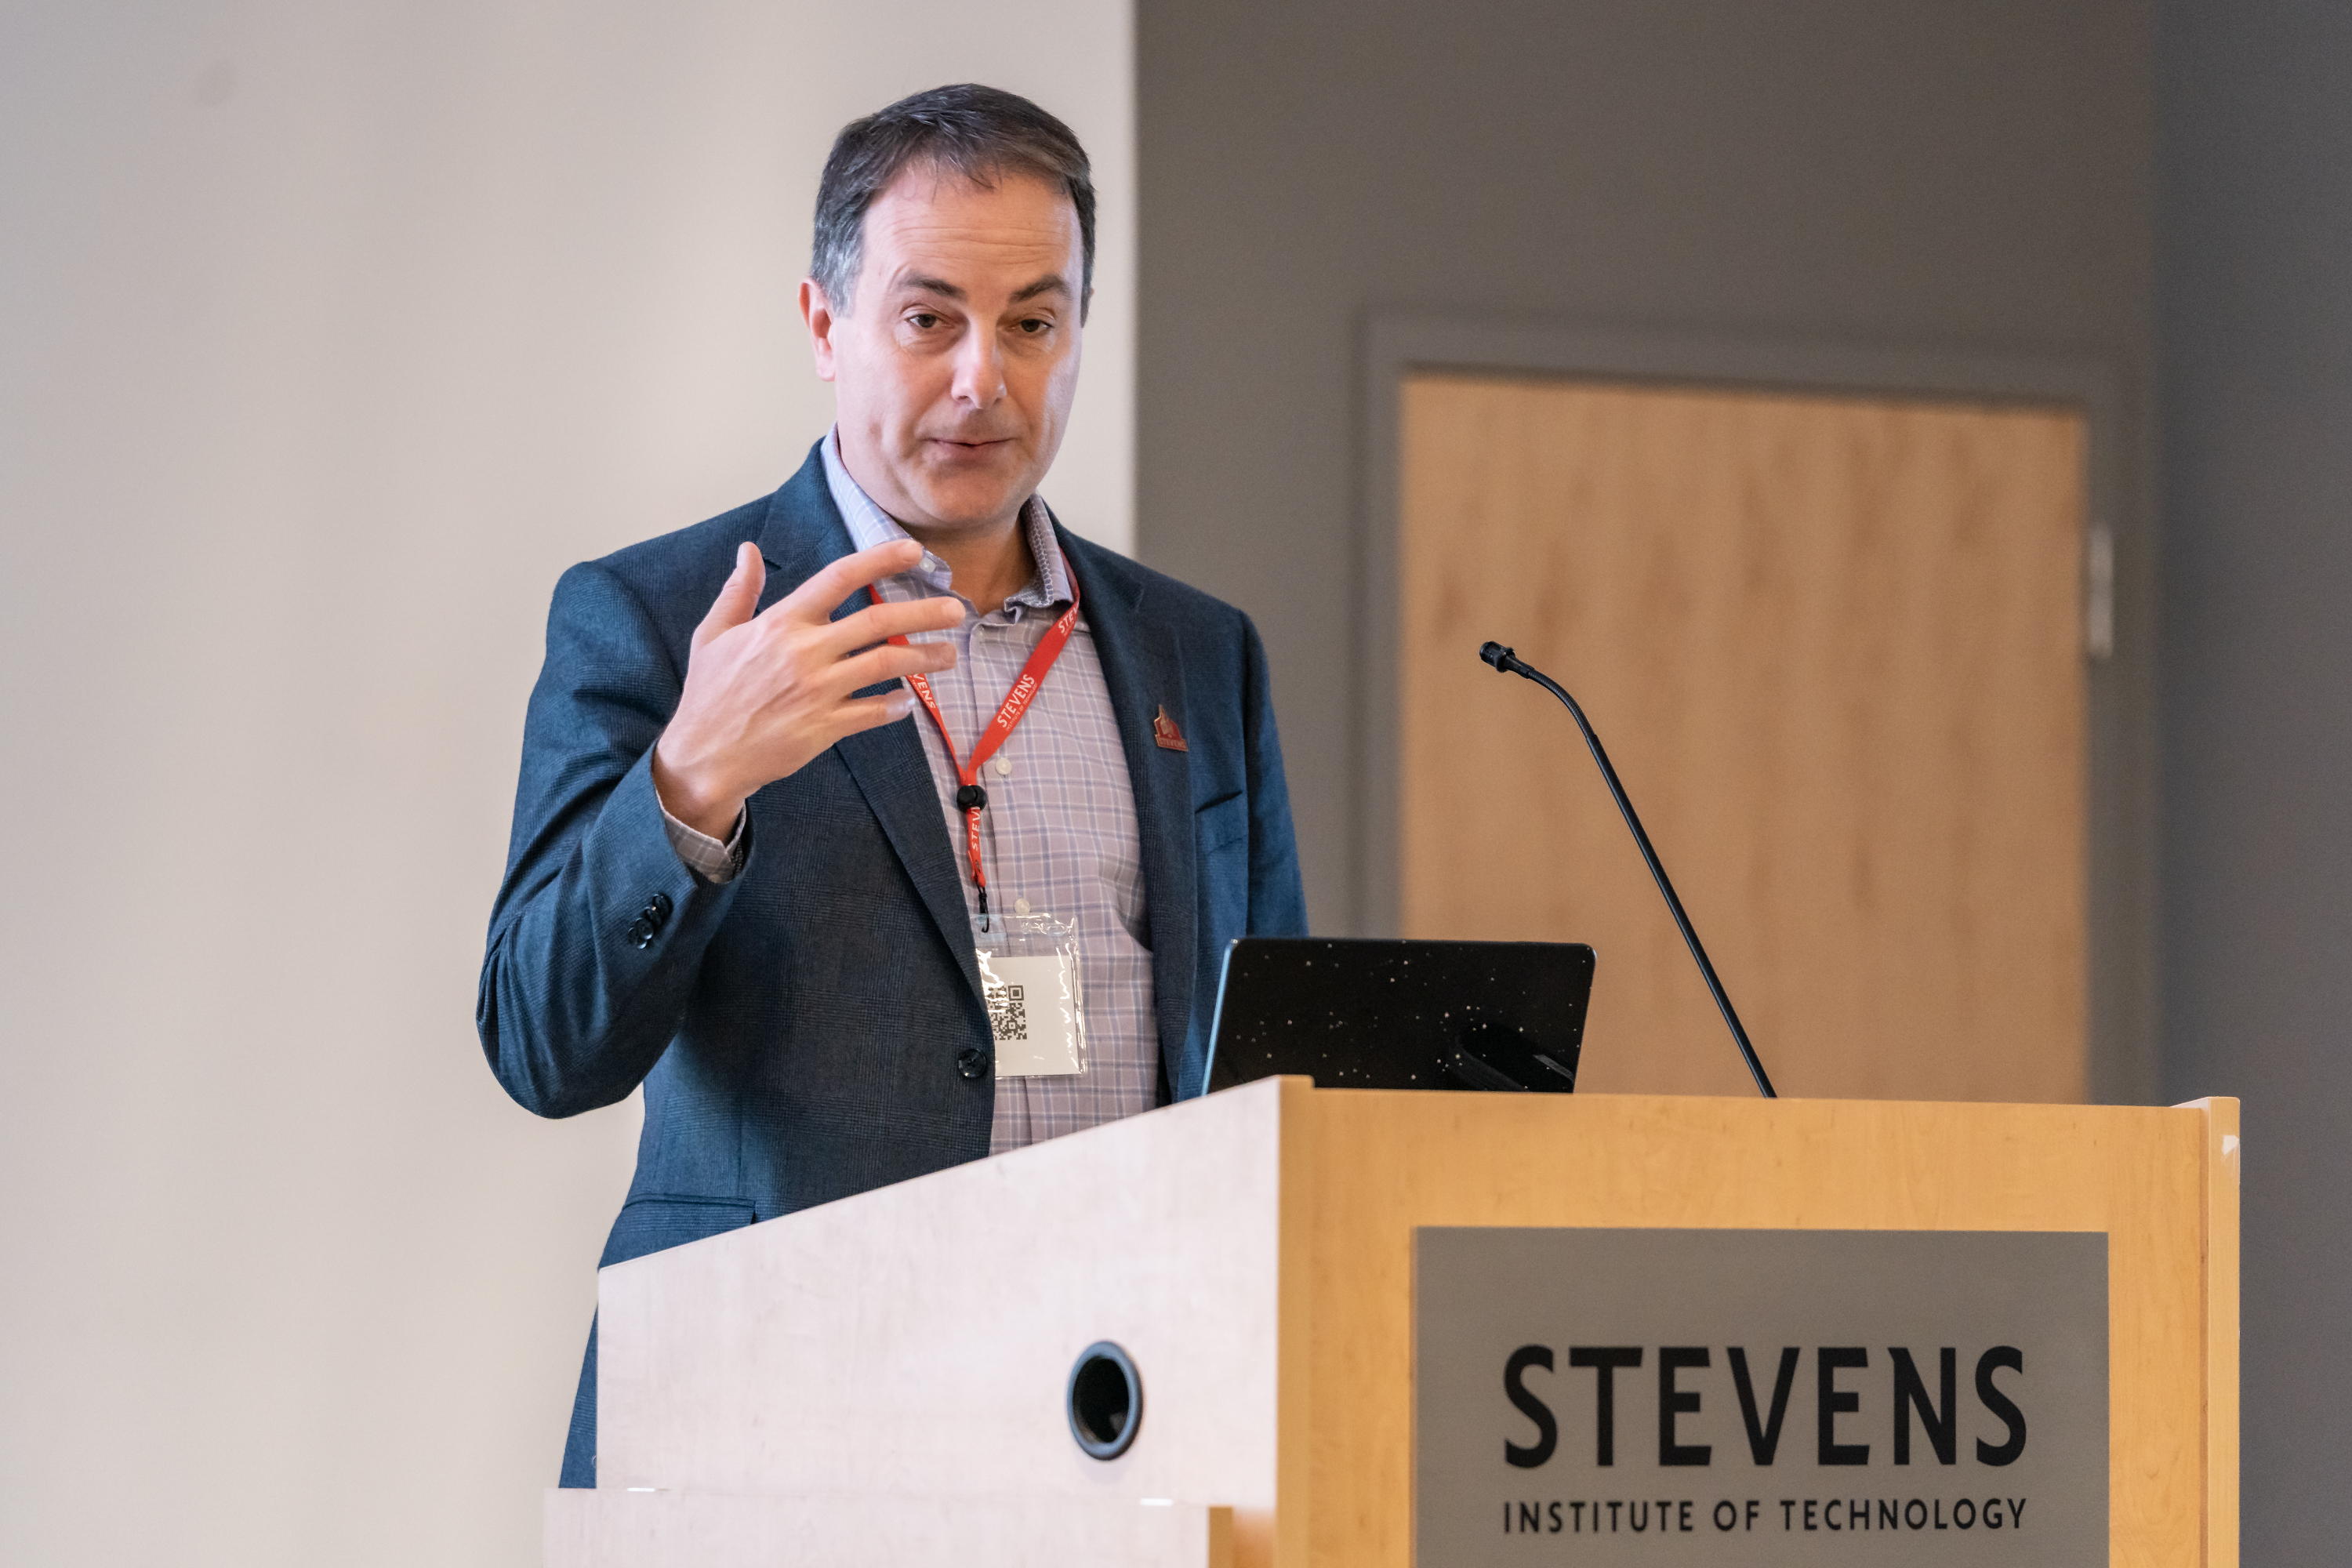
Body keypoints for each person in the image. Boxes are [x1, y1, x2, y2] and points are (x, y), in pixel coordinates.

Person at [476, 83, 1307, 1487]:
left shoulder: (1195, 653)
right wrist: (690, 782)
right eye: (929, 320)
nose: (985, 378)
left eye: (1035, 323)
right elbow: (541, 1048)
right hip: (769, 1420)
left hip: (1125, 1419)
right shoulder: (661, 614)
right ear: (825, 324)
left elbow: (1270, 1052)